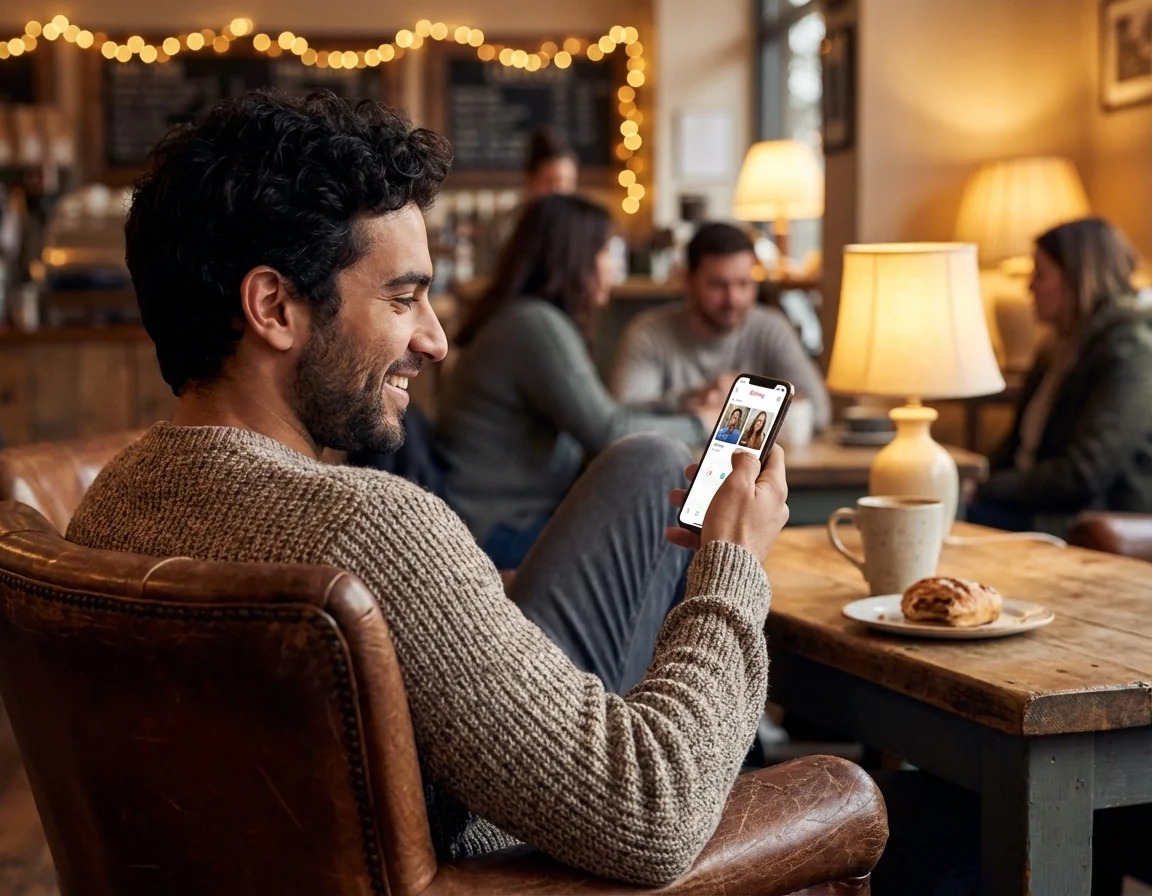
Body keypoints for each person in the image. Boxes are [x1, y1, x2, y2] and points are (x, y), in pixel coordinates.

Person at [66, 91, 793, 886]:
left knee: (649, 465)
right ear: (274, 306)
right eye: (403, 297)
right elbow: (654, 815)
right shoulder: (372, 532)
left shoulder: (109, 504)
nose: (435, 340)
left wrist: (477, 608)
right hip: (503, 845)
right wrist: (730, 567)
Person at [437, 193, 724, 568]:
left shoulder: (523, 318)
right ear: (578, 258)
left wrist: (683, 404)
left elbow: (600, 413)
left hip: (498, 523)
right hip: (496, 534)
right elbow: (608, 431)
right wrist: (702, 422)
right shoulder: (534, 325)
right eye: (609, 253)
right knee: (668, 540)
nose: (615, 269)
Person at [967, 218, 1152, 532]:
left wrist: (987, 487)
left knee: (959, 517)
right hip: (1036, 504)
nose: (1029, 286)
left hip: (1089, 516)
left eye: (1040, 274)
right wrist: (975, 478)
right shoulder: (1054, 349)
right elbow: (1014, 448)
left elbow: (1084, 473)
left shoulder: (1131, 350)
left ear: (1079, 278)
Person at [609, 222, 831, 432]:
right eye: (718, 285)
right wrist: (695, 399)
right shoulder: (649, 333)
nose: (733, 299)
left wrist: (742, 402)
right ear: (688, 281)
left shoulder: (771, 328)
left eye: (744, 284)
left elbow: (819, 412)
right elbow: (624, 420)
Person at [475, 126, 578, 276]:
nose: (560, 190)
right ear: (529, 179)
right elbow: (483, 280)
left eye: (568, 182)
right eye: (550, 181)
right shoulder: (503, 228)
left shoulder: (581, 228)